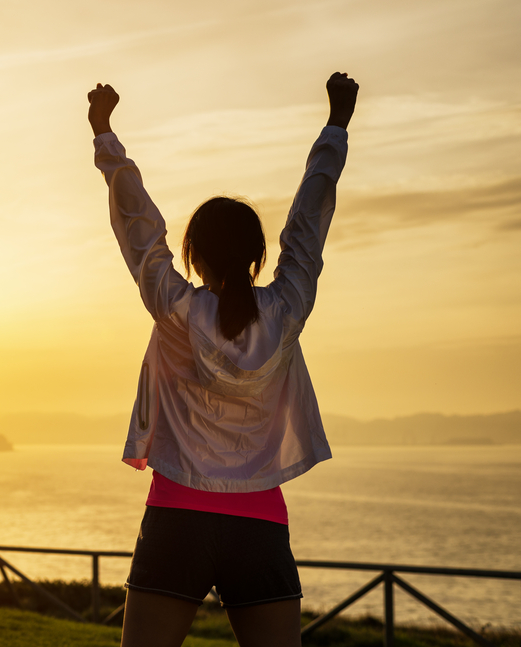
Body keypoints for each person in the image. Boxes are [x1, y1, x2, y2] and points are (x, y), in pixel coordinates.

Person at [87, 72, 359, 647]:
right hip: (259, 525)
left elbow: (139, 229)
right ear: (258, 256)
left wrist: (106, 136)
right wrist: (335, 125)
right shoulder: (285, 312)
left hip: (176, 516)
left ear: (194, 254)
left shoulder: (175, 308)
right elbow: (308, 227)